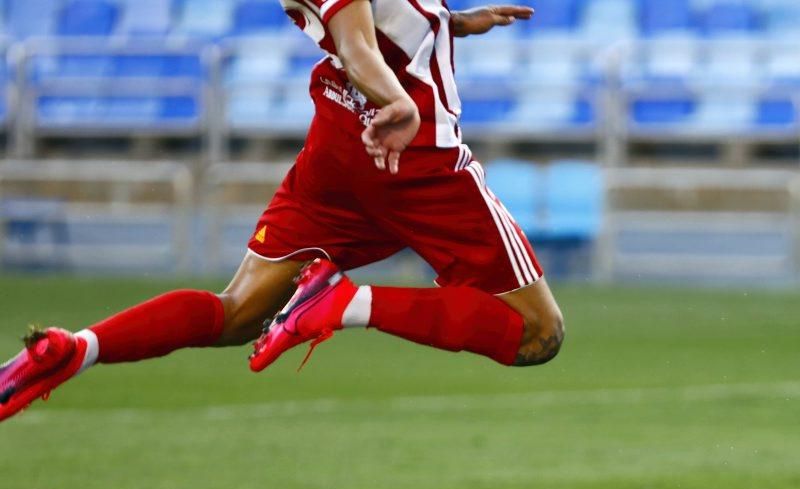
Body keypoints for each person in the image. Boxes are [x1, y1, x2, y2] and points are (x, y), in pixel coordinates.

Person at [0, 1, 565, 424]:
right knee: (537, 332)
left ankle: (77, 348)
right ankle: (345, 301)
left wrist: (451, 23)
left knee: (239, 311)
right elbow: (357, 45)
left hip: (338, 148)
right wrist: (395, 100)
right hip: (404, 150)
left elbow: (378, 26)